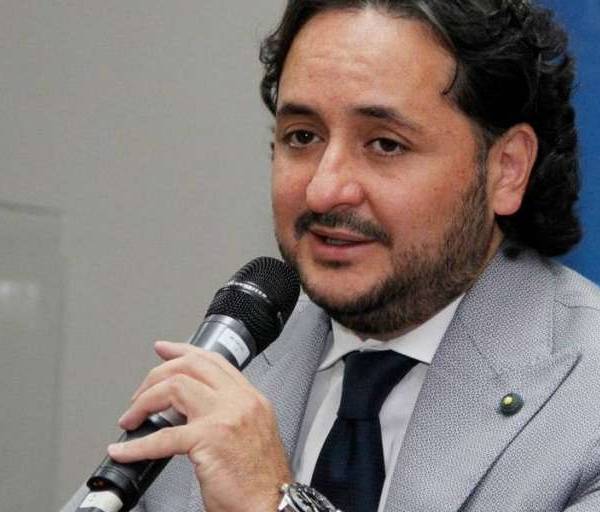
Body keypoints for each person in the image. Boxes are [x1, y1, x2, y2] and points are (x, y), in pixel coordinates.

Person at [63, 0, 600, 511]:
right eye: (302, 137)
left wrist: (271, 503)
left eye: (385, 144)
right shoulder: (237, 362)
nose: (323, 190)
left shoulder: (585, 399)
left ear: (506, 169)